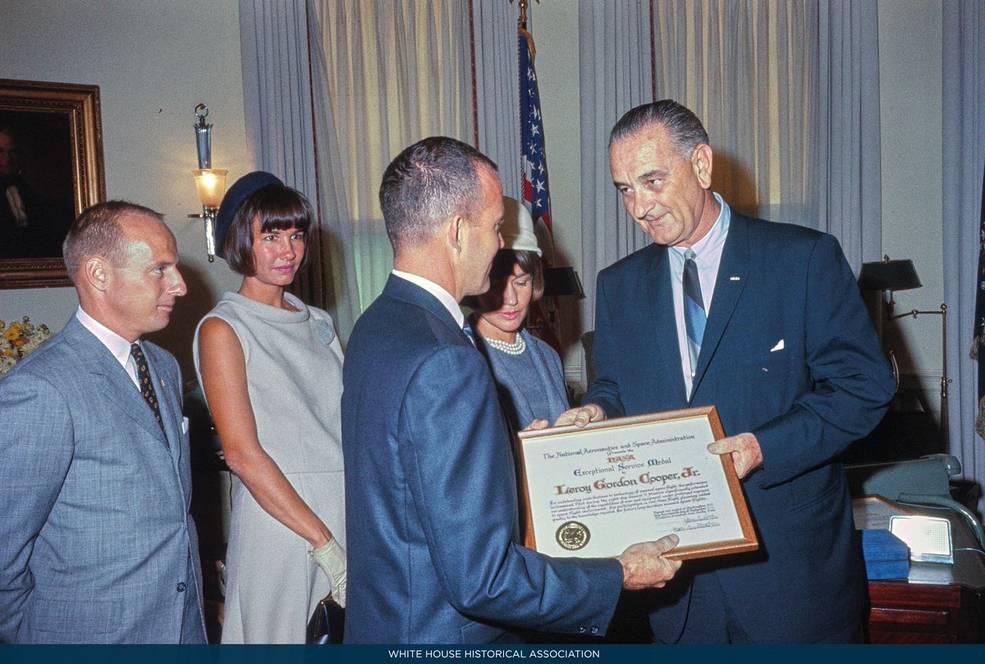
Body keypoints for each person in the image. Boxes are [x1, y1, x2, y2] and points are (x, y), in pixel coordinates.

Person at [568, 100, 895, 643]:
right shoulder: (619, 285)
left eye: (651, 180)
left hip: (791, 582)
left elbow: (864, 389)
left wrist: (764, 448)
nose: (639, 207)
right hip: (677, 589)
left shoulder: (802, 259)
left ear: (701, 164)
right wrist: (595, 411)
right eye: (624, 189)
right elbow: (617, 388)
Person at [341, 136, 683, 644]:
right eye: (496, 227)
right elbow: (483, 579)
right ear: (458, 231)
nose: (502, 245)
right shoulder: (447, 359)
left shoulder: (377, 325)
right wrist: (619, 574)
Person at [0, 201, 205, 643]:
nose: (180, 285)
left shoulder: (163, 366)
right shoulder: (42, 388)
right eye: (160, 269)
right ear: (98, 274)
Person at [193, 172, 347, 644]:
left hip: (340, 509)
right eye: (271, 236)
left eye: (296, 235)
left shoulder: (317, 320)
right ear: (241, 240)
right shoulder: (224, 328)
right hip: (282, 522)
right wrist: (322, 542)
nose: (288, 251)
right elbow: (241, 454)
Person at [467, 197, 567, 431]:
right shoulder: (464, 356)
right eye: (497, 286)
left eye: (522, 283)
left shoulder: (547, 355)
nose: (511, 300)